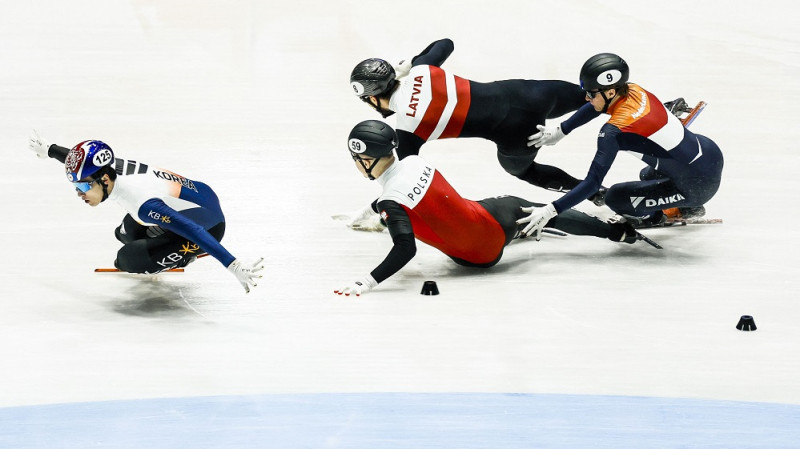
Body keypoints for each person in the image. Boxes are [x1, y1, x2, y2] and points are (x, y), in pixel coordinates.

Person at [334, 120, 652, 297]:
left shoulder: (392, 201)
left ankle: (525, 231)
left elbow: (406, 248)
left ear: (365, 159)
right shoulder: (415, 163)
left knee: (502, 214)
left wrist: (366, 282)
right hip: (490, 222)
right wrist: (374, 214)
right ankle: (619, 232)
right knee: (527, 209)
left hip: (476, 258)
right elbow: (398, 199)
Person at [28, 131, 264, 293]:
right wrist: (49, 149)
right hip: (199, 196)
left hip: (209, 225)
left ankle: (187, 254)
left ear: (105, 178)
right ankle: (164, 245)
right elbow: (79, 160)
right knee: (124, 233)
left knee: (127, 259)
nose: (80, 193)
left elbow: (193, 229)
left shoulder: (144, 205)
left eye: (82, 186)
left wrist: (233, 266)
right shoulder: (111, 168)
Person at [518, 53, 724, 238]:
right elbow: (596, 106)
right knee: (648, 175)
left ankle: (655, 216)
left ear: (609, 92)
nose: (586, 98)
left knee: (616, 197)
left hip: (698, 186)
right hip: (709, 152)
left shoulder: (614, 131)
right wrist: (561, 130)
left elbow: (592, 183)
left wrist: (551, 210)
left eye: (590, 93)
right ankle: (685, 205)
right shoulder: (633, 89)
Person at [349, 38, 591, 193]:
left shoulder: (406, 130)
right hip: (529, 93)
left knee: (526, 172)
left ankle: (595, 193)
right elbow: (445, 43)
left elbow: (404, 177)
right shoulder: (422, 70)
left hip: (516, 135)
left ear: (371, 98)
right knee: (602, 99)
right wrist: (412, 63)